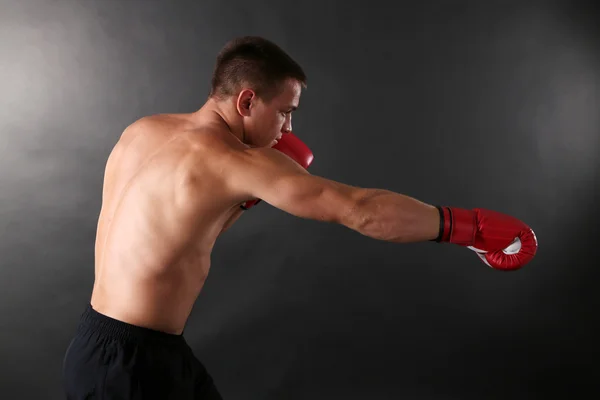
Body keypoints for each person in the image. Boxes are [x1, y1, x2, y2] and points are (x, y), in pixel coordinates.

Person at [62, 36, 538, 399]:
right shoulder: (237, 163)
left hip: (96, 343)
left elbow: (179, 231)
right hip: (135, 368)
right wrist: (466, 227)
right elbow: (361, 212)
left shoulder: (143, 130)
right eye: (285, 113)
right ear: (247, 101)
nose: (289, 129)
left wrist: (246, 200)